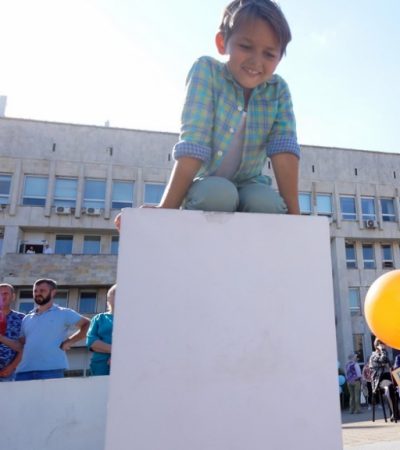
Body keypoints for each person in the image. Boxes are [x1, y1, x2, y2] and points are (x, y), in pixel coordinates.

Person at [114, 0, 299, 231]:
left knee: (267, 203)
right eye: (246, 46)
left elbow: (284, 149)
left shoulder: (278, 90)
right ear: (222, 43)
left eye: (269, 54)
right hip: (209, 182)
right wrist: (165, 210)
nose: (256, 61)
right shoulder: (207, 72)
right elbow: (195, 140)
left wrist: (296, 218)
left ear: (280, 57)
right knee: (219, 194)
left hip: (250, 182)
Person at [12, 279, 90, 381]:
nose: (38, 293)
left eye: (42, 290)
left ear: (53, 292)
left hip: (51, 370)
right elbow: (22, 344)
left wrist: (69, 341)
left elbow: (87, 324)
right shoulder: (26, 318)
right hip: (23, 371)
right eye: (35, 291)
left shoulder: (63, 313)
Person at [86, 284, 116, 376]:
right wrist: (117, 352)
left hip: (128, 364)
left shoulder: (133, 320)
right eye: (114, 294)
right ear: (108, 298)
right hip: (100, 366)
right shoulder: (99, 318)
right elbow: (91, 342)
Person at [0, 284, 25, 381]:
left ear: (13, 297)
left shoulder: (21, 319)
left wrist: (12, 367)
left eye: (6, 293)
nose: (2, 296)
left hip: (8, 373)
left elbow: (24, 347)